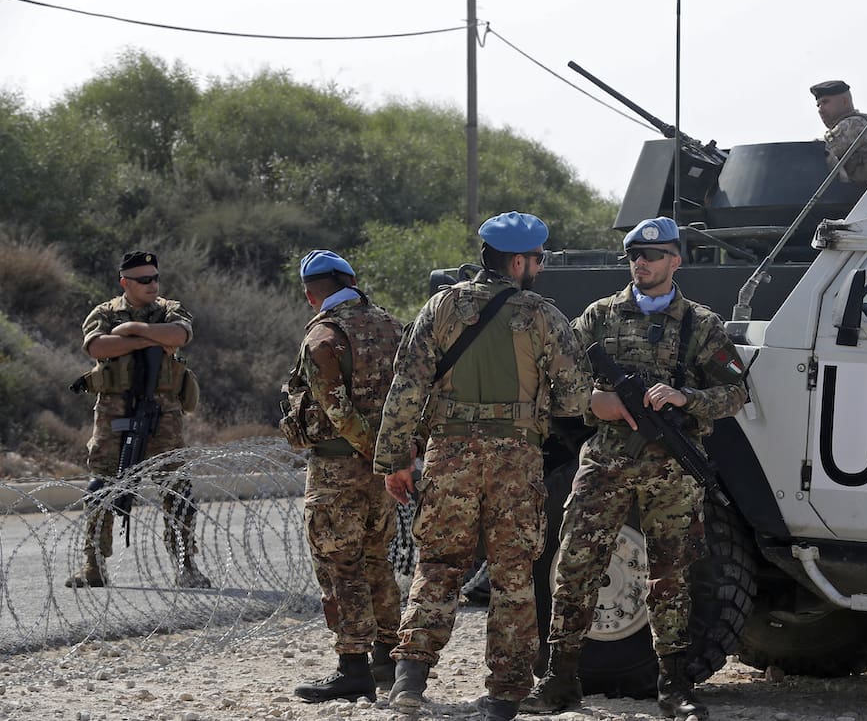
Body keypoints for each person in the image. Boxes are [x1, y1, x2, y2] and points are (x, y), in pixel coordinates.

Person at [522, 216, 748, 721]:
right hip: (604, 463)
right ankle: (559, 679)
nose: (640, 263)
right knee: (576, 568)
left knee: (670, 578)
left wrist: (685, 397)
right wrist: (594, 402)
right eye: (633, 255)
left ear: (676, 261)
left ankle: (674, 685)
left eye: (652, 255)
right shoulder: (598, 318)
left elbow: (736, 393)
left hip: (671, 469)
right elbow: (554, 381)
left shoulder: (702, 325)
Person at [375, 211, 590, 721]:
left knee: (439, 565)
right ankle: (504, 696)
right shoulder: (542, 315)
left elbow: (406, 388)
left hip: (449, 455)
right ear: (518, 261)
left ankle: (409, 682)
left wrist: (394, 460)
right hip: (516, 459)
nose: (538, 267)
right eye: (536, 259)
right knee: (514, 576)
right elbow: (575, 397)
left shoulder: (441, 306)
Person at [281, 250, 409, 703]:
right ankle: (388, 661)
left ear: (311, 292)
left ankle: (352, 666)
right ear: (352, 280)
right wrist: (393, 456)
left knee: (341, 564)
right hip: (386, 471)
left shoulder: (324, 335)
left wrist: (372, 451)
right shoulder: (394, 327)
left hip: (339, 468)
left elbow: (335, 409)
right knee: (377, 559)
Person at [66, 250, 210, 590]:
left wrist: (132, 331)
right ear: (125, 282)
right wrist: (149, 340)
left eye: (155, 278)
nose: (152, 284)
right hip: (114, 411)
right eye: (144, 280)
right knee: (101, 488)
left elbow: (178, 336)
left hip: (163, 414)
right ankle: (94, 566)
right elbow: (98, 347)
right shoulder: (104, 312)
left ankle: (185, 565)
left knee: (178, 490)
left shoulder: (170, 309)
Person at [811, 79, 867, 184]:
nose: (820, 109)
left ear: (845, 101)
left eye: (825, 102)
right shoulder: (858, 122)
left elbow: (817, 150)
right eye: (818, 105)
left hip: (857, 193)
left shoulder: (853, 124)